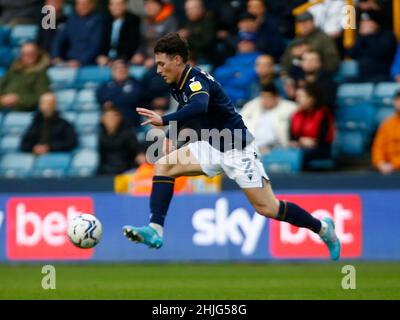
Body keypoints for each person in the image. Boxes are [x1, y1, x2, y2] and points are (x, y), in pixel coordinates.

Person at [122, 32, 341, 261]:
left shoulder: (196, 80)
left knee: (268, 208)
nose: (157, 70)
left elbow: (199, 106)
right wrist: (169, 135)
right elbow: (190, 114)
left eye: (161, 63)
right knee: (164, 165)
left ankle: (323, 229)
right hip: (211, 145)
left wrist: (165, 120)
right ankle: (155, 230)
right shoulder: (177, 83)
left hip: (237, 150)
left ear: (177, 60)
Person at [289, 83, 335, 170]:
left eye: (300, 96)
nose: (297, 99)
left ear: (311, 99)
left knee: (299, 156)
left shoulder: (324, 114)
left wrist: (314, 142)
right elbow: (292, 136)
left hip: (320, 150)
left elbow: (326, 139)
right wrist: (298, 142)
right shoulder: (296, 115)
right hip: (298, 148)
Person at [241, 83, 297, 154]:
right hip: (250, 145)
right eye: (263, 97)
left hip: (275, 148)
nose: (264, 100)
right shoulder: (251, 106)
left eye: (268, 97)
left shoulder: (290, 108)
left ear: (276, 97)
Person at [213, 31, 261, 107]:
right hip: (224, 100)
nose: (243, 45)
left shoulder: (258, 58)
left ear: (254, 44)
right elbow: (217, 74)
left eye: (247, 42)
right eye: (241, 42)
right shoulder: (233, 59)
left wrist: (227, 78)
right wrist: (233, 73)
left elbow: (244, 80)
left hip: (243, 100)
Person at [51, 0, 104, 67]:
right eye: (79, 4)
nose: (81, 7)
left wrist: (80, 61)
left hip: (89, 63)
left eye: (84, 4)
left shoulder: (97, 21)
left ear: (92, 5)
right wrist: (56, 56)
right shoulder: (71, 20)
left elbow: (95, 45)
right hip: (69, 61)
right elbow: (58, 39)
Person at [348, 11, 397, 82]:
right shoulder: (362, 37)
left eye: (368, 22)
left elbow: (380, 53)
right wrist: (361, 37)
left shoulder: (387, 35)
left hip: (382, 75)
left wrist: (369, 35)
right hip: (362, 75)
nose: (364, 25)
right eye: (363, 23)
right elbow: (351, 54)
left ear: (376, 23)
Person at [0, 42, 50, 112]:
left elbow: (41, 97)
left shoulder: (41, 74)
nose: (28, 56)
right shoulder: (13, 70)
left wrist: (18, 99)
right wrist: (2, 99)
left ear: (37, 54)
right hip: (3, 107)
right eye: (25, 54)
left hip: (22, 111)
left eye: (31, 53)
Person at [98, 105, 144, 175]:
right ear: (102, 119)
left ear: (119, 118)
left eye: (114, 117)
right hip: (106, 171)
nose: (111, 120)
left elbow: (137, 152)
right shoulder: (101, 136)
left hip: (126, 170)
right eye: (108, 117)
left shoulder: (128, 134)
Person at [96, 60, 142, 128]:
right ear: (112, 72)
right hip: (110, 121)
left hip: (130, 119)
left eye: (123, 68)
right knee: (109, 115)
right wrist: (121, 95)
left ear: (127, 70)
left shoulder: (136, 84)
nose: (120, 70)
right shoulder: (106, 85)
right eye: (117, 68)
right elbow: (100, 96)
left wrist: (112, 102)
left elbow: (133, 98)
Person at [98, 0, 141, 66]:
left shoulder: (134, 20)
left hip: (126, 59)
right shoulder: (106, 20)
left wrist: (121, 59)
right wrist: (101, 56)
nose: (115, 7)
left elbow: (132, 44)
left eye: (118, 4)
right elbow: (100, 42)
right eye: (112, 4)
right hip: (107, 59)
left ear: (125, 6)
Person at [178, 0, 216, 65]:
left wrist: (188, 36)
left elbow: (207, 45)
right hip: (189, 58)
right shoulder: (187, 23)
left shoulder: (208, 22)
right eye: (187, 10)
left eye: (192, 8)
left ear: (201, 8)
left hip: (205, 59)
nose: (189, 12)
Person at [371, 91, 400, 175]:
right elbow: (377, 147)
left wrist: (394, 164)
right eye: (398, 100)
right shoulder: (387, 124)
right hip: (385, 169)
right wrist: (380, 163)